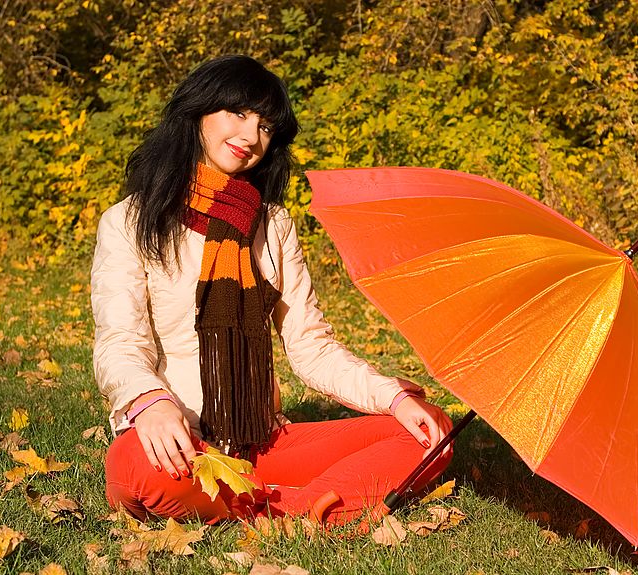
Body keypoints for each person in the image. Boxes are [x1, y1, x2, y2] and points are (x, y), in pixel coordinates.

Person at [91, 54, 453, 526]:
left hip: (260, 441)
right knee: (136, 468)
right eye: (238, 113)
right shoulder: (131, 221)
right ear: (199, 111)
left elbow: (310, 346)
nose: (250, 136)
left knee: (430, 432)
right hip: (180, 442)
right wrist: (149, 403)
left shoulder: (273, 225)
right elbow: (120, 342)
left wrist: (393, 397)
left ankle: (285, 510)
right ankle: (316, 503)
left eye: (265, 127)